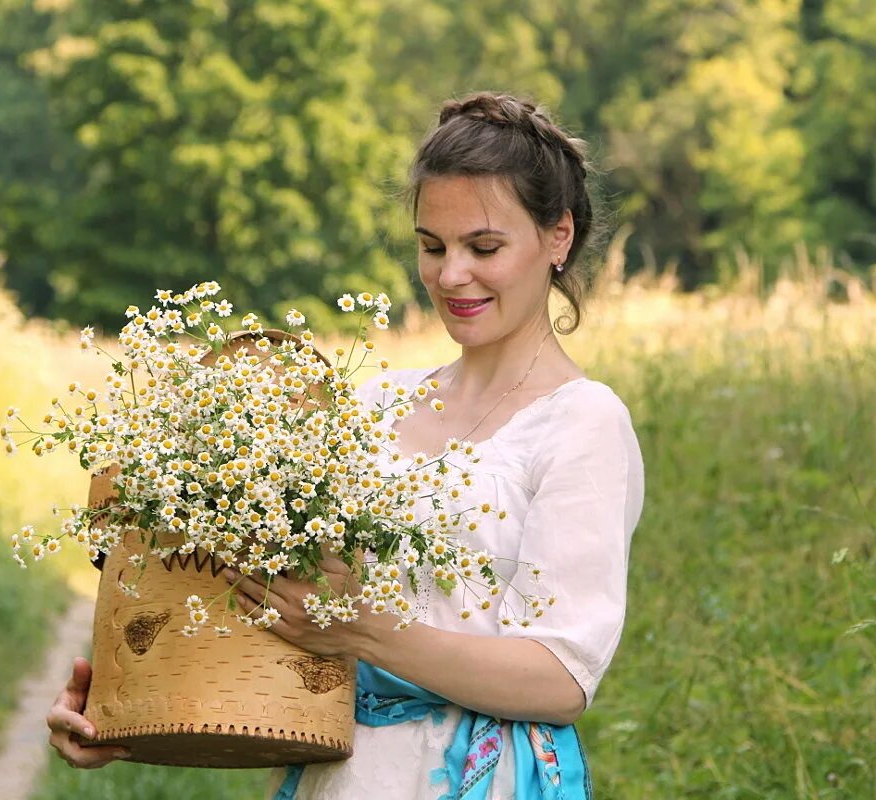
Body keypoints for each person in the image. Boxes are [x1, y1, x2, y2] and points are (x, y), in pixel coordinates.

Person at [46, 91, 645, 800]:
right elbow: (257, 595)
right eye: (432, 247)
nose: (451, 275)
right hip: (335, 775)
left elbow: (561, 679)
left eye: (484, 247)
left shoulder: (583, 423)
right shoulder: (368, 403)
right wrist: (128, 705)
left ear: (558, 237)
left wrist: (367, 633)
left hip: (477, 780)